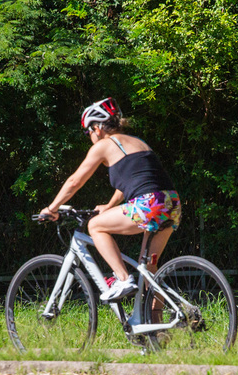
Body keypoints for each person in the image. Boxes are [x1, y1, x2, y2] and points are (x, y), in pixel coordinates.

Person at [40, 98, 181, 302]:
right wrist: (109, 206)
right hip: (171, 204)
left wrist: (52, 208)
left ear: (97, 128)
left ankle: (123, 279)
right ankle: (156, 329)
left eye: (88, 132)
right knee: (149, 270)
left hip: (148, 204)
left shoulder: (105, 144)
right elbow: (130, 183)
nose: (89, 136)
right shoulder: (138, 142)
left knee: (95, 226)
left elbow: (75, 181)